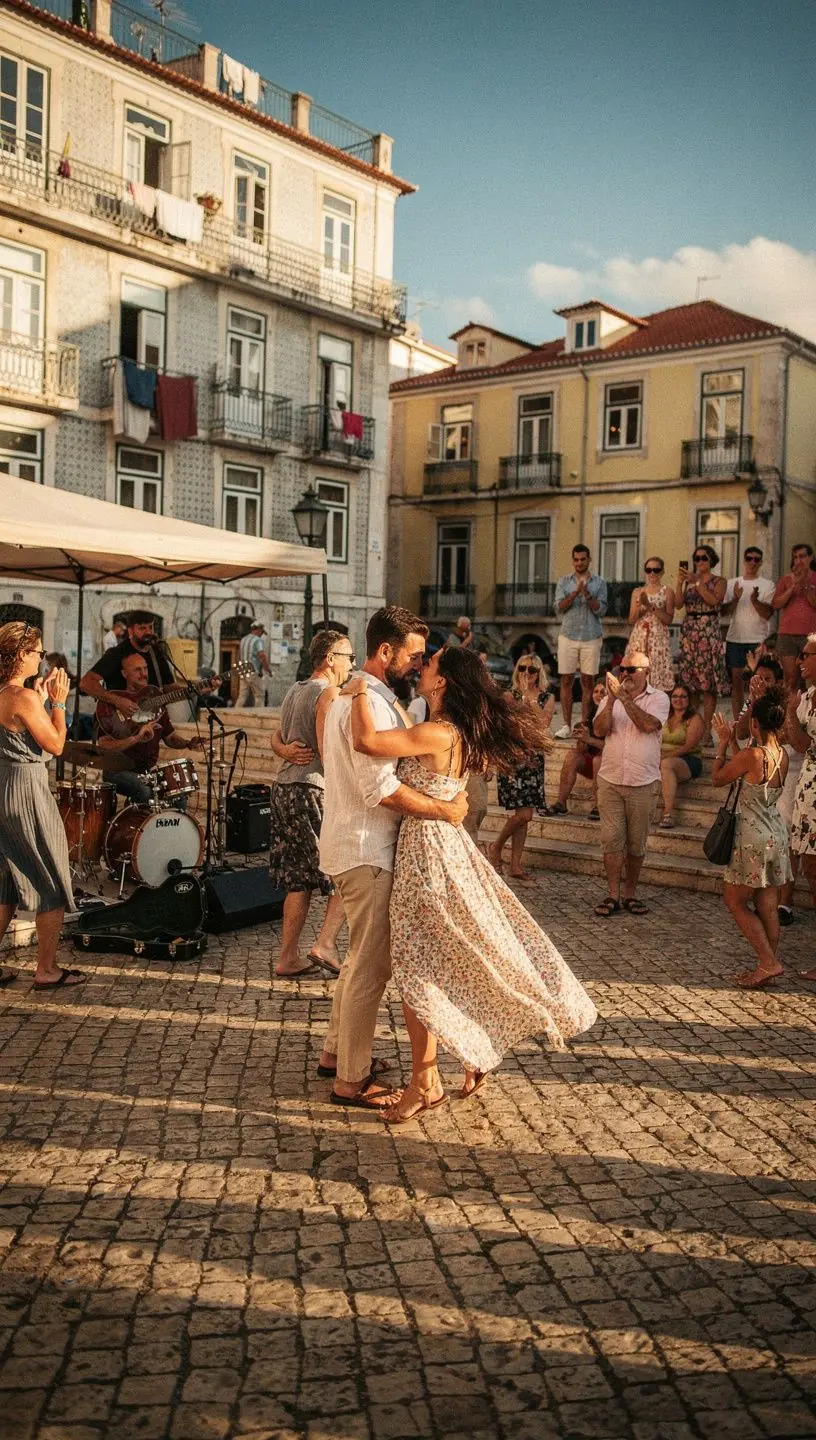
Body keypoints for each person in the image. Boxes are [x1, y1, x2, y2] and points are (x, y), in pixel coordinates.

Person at [345, 645, 598, 1122]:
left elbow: (367, 742)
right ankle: (466, 1056)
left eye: (431, 664)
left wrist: (360, 686)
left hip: (428, 853)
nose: (422, 668)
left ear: (442, 683)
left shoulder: (437, 731)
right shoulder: (453, 731)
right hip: (444, 846)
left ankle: (424, 1083)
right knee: (448, 959)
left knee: (418, 970)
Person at [316, 607, 468, 1111]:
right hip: (369, 848)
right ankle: (351, 1081)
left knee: (359, 959)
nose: (418, 664)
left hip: (349, 843)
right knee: (372, 969)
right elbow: (380, 788)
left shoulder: (358, 697)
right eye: (414, 655)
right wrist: (445, 810)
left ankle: (338, 1055)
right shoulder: (372, 705)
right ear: (386, 652)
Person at [0, 623, 85, 991]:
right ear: (21, 655)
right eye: (37, 652)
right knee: (51, 876)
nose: (42, 657)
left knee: (5, 882)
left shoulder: (5, 693)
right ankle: (47, 969)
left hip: (3, 785)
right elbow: (55, 746)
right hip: (27, 789)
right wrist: (59, 703)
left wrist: (40, 699)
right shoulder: (24, 698)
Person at [268, 631, 353, 978]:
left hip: (284, 788)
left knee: (297, 880)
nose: (352, 665)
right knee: (347, 868)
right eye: (348, 657)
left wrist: (285, 750)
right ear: (330, 658)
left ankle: (287, 958)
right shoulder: (327, 692)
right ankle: (325, 944)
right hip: (311, 790)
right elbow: (326, 748)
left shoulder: (295, 688)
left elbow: (276, 735)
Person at [711, 692, 791, 988]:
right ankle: (768, 964)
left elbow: (718, 777)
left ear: (755, 723)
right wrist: (732, 740)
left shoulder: (752, 755)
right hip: (775, 834)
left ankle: (769, 962)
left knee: (734, 900)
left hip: (751, 837)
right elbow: (745, 766)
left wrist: (721, 744)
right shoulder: (779, 754)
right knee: (767, 903)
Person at [592, 650, 670, 917]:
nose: (624, 674)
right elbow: (599, 731)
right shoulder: (609, 699)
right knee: (611, 841)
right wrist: (613, 700)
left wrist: (624, 699)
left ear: (647, 672)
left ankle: (630, 894)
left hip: (643, 781)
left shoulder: (659, 698)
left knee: (636, 844)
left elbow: (648, 725)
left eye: (631, 670)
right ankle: (613, 894)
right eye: (622, 669)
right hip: (611, 779)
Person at [95, 651, 202, 806]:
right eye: (137, 670)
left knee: (179, 794)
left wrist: (188, 743)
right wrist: (136, 738)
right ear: (124, 673)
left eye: (145, 669)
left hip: (147, 772)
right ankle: (136, 825)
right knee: (144, 791)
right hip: (117, 771)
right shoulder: (111, 705)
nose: (144, 674)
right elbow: (104, 745)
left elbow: (170, 738)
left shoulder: (156, 705)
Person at [488, 654, 554, 880]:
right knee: (523, 814)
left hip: (534, 758)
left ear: (539, 673)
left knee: (525, 814)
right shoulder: (509, 695)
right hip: (515, 757)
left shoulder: (546, 697)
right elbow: (505, 726)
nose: (527, 673)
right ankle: (496, 847)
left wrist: (530, 699)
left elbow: (543, 724)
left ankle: (515, 864)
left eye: (533, 670)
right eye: (523, 668)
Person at [553, 544, 608, 737]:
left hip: (591, 636)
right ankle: (566, 726)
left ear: (589, 560)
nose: (579, 563)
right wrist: (575, 593)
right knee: (566, 679)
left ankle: (585, 725)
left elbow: (601, 610)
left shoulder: (600, 582)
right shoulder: (564, 582)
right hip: (568, 634)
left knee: (588, 681)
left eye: (583, 559)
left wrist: (587, 594)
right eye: (576, 559)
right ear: (572, 560)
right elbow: (558, 608)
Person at [675, 545, 728, 743]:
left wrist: (697, 582)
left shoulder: (719, 581)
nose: (700, 562)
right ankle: (693, 729)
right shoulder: (690, 581)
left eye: (704, 558)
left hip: (708, 633)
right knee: (692, 684)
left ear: (711, 560)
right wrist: (680, 584)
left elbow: (714, 601)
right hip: (690, 633)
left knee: (708, 686)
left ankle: (706, 731)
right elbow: (680, 604)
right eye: (697, 558)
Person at [80, 610, 175, 718]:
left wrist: (194, 689)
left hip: (149, 720)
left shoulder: (157, 653)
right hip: (118, 722)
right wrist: (118, 701)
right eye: (142, 628)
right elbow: (85, 683)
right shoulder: (117, 653)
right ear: (130, 631)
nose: (148, 632)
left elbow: (169, 687)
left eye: (150, 627)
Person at [786, 634, 816, 976]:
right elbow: (797, 743)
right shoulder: (806, 697)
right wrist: (792, 713)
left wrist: (793, 716)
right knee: (809, 868)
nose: (799, 661)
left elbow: (810, 743)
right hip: (807, 790)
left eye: (806, 655)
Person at [723, 547, 775, 720]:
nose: (752, 562)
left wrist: (754, 600)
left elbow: (767, 614)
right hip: (735, 639)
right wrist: (736, 598)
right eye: (749, 558)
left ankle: (756, 720)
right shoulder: (732, 583)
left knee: (756, 684)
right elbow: (724, 612)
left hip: (757, 640)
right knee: (737, 684)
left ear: (760, 562)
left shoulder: (768, 585)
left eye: (756, 559)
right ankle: (740, 722)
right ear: (744, 560)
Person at [778, 652, 807, 929]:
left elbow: (795, 738)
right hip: (780, 776)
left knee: (792, 842)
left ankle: (786, 900)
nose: (798, 663)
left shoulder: (803, 698)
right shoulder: (790, 697)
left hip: (799, 773)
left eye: (803, 657)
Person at [550, 680, 606, 818]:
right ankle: (561, 804)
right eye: (596, 691)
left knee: (597, 760)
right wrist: (581, 738)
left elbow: (611, 747)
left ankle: (599, 807)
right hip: (593, 761)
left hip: (610, 763)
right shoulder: (591, 713)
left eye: (603, 692)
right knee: (572, 755)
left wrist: (590, 739)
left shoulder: (613, 713)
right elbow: (583, 748)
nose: (598, 695)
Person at [659, 683, 705, 828]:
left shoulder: (695, 718)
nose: (678, 700)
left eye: (683, 696)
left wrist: (664, 757)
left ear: (689, 699)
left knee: (666, 765)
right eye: (675, 696)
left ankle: (668, 813)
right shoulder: (664, 716)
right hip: (663, 758)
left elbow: (688, 746)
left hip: (689, 759)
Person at [627, 557, 675, 691]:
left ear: (662, 572)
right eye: (649, 570)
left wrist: (649, 606)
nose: (652, 573)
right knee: (638, 677)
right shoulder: (637, 592)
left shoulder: (668, 592)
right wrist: (639, 606)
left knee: (658, 679)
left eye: (656, 570)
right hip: (640, 638)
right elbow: (631, 620)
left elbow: (668, 619)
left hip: (658, 640)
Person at [772, 544, 816, 687]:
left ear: (811, 558)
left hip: (810, 636)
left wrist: (805, 585)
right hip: (787, 634)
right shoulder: (786, 579)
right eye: (795, 557)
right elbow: (776, 604)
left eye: (802, 556)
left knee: (810, 679)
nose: (798, 560)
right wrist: (792, 587)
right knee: (791, 680)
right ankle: (791, 709)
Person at [735, 655, 785, 741]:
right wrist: (754, 701)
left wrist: (763, 703)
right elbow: (740, 734)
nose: (761, 683)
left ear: (778, 683)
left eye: (767, 679)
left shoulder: (783, 703)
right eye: (759, 678)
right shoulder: (751, 699)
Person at [237, 622, 270, 707]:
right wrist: (267, 669)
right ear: (258, 630)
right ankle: (259, 716)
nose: (262, 634)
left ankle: (235, 713)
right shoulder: (258, 640)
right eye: (262, 632)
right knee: (259, 695)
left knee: (242, 696)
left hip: (243, 670)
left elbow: (239, 655)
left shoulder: (243, 640)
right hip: (252, 670)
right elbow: (262, 655)